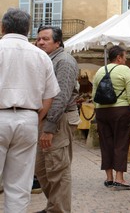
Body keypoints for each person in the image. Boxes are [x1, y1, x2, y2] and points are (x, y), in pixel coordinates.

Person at [0, 9, 60, 213]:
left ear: (2, 27)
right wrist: (35, 117)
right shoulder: (41, 56)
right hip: (28, 118)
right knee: (19, 185)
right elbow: (50, 95)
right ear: (28, 30)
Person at [35, 25, 80, 213]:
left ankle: (59, 210)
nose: (40, 42)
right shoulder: (46, 59)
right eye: (39, 39)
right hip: (44, 120)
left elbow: (61, 96)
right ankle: (52, 207)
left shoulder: (65, 61)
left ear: (58, 42)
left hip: (57, 121)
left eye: (45, 39)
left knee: (57, 170)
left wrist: (49, 128)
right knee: (42, 170)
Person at [92, 45, 130, 190]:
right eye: (124, 57)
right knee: (121, 143)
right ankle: (120, 178)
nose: (125, 60)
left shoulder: (100, 70)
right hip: (120, 110)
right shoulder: (124, 69)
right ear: (119, 57)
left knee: (106, 144)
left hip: (101, 111)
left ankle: (109, 178)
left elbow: (94, 95)